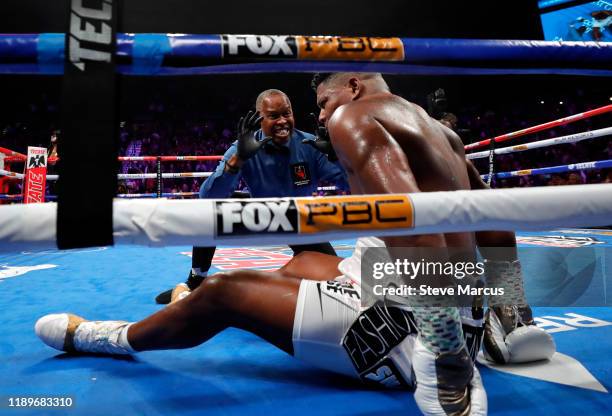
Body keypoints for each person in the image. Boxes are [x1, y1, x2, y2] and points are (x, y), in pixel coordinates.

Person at [35, 73, 553, 415]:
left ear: (350, 85)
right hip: (434, 301)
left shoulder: (352, 117)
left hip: (407, 329)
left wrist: (446, 361)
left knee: (226, 293)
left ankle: (105, 336)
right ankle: (188, 295)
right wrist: (511, 315)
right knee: (304, 259)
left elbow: (413, 226)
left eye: (322, 104)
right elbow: (495, 227)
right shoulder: (438, 130)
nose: (320, 117)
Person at [155, 89, 348, 304]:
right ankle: (196, 279)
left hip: (297, 219)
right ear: (259, 118)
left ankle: (292, 275)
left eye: (287, 113)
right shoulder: (244, 146)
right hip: (260, 214)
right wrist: (239, 159)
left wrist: (337, 156)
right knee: (211, 211)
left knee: (338, 279)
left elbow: (350, 186)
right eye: (274, 116)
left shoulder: (310, 145)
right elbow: (207, 196)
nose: (283, 121)